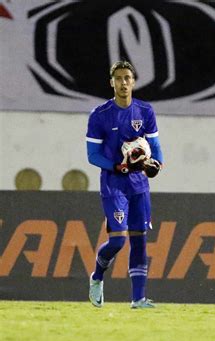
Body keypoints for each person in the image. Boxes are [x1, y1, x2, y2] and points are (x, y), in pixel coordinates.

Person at [86, 60, 163, 309]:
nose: (123, 82)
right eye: (118, 78)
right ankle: (97, 277)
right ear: (112, 82)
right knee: (118, 241)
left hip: (138, 185)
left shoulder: (145, 111)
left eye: (127, 78)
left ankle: (138, 299)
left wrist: (156, 165)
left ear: (133, 81)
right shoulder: (100, 115)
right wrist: (116, 166)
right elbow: (92, 155)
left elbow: (156, 148)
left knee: (139, 240)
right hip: (113, 183)